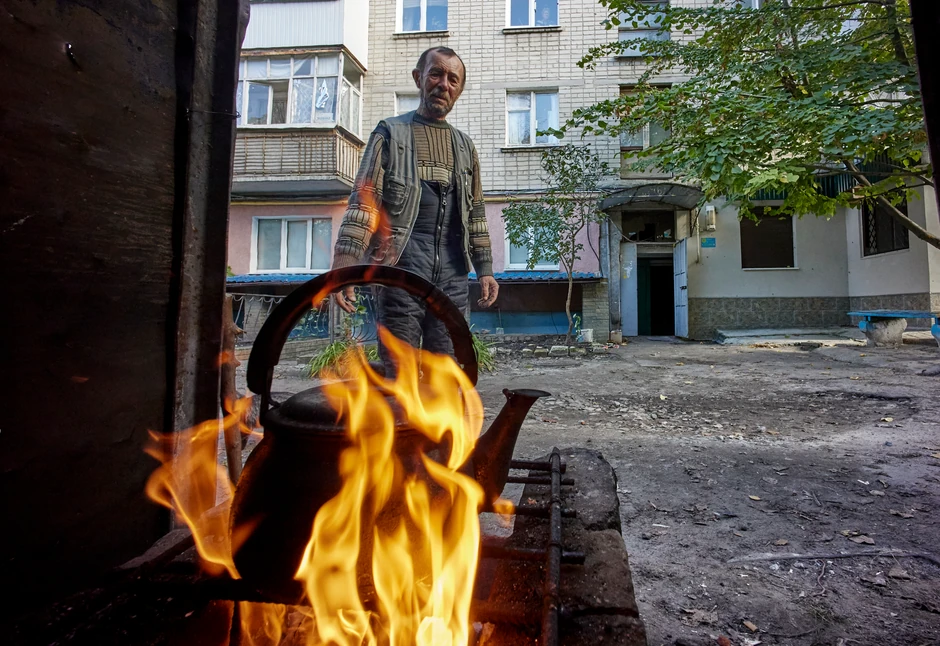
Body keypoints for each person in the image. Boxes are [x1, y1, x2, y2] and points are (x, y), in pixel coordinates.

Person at [330, 46, 499, 371]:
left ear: (459, 89)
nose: (444, 84)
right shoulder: (389, 133)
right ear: (418, 78)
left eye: (453, 79)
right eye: (436, 74)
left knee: (445, 372)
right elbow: (364, 204)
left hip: (453, 279)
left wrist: (485, 268)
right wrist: (345, 267)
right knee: (399, 372)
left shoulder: (465, 147)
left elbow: (476, 212)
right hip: (400, 274)